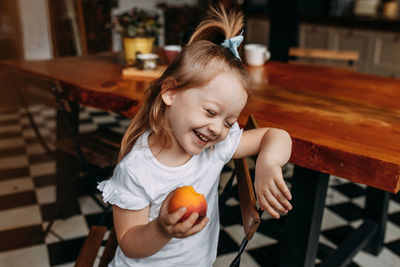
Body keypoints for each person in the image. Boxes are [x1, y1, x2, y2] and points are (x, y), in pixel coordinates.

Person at [98, 5, 292, 267]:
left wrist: (268, 163)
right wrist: (162, 229)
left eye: (229, 121)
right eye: (210, 111)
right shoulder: (137, 170)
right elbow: (130, 244)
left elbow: (276, 135)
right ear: (170, 93)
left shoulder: (214, 147)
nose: (217, 128)